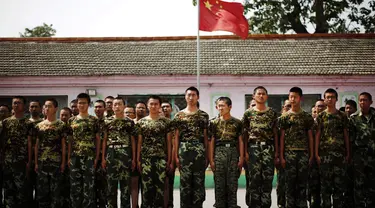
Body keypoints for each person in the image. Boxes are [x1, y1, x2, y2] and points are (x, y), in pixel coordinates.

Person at [242, 87, 278, 208]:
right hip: (253, 149)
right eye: (259, 94)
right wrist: (245, 152)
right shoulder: (248, 113)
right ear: (254, 96)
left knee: (267, 181)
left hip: (268, 148)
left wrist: (277, 152)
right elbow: (244, 134)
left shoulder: (272, 113)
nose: (261, 96)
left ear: (267, 96)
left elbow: (275, 133)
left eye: (263, 94)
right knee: (254, 181)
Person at [174, 86, 209, 208]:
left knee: (198, 183)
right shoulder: (179, 115)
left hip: (199, 150)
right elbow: (176, 136)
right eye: (188, 95)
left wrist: (207, 156)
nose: (191, 97)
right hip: (184, 151)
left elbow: (205, 137)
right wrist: (176, 156)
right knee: (185, 183)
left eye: (194, 95)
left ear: (198, 97)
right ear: (185, 97)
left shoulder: (203, 115)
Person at [279, 87, 314, 208]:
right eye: (290, 97)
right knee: (289, 185)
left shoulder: (306, 117)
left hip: (303, 154)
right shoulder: (284, 117)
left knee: (302, 185)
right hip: (289, 154)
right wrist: (282, 156)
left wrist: (311, 155)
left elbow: (310, 137)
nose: (292, 99)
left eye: (295, 97)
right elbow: (282, 138)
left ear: (300, 98)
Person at [315, 88, 350, 208]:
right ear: (324, 99)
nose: (330, 99)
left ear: (336, 99)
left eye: (332, 97)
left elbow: (346, 134)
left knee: (339, 187)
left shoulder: (342, 116)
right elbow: (317, 135)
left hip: (340, 156)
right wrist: (316, 154)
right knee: (325, 187)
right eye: (327, 97)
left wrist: (348, 153)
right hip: (324, 156)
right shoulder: (321, 117)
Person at [136, 95, 173, 208]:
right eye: (151, 104)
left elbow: (168, 142)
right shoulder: (141, 122)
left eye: (156, 104)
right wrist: (138, 160)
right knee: (146, 189)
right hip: (146, 159)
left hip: (161, 159)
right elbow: (139, 142)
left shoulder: (166, 122)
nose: (153, 106)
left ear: (159, 106)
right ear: (147, 106)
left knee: (160, 189)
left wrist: (169, 160)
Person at [67, 93, 101, 208]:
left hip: (89, 158)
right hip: (75, 157)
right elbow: (70, 141)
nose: (81, 105)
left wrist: (96, 158)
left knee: (89, 187)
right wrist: (68, 158)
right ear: (77, 104)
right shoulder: (71, 120)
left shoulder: (94, 120)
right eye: (79, 103)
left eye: (84, 103)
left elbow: (98, 140)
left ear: (88, 104)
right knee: (75, 188)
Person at [102, 97, 136, 208]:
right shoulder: (106, 121)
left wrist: (134, 158)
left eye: (119, 104)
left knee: (125, 185)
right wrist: (103, 157)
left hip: (125, 152)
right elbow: (104, 140)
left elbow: (133, 141)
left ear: (124, 106)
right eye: (115, 104)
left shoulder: (129, 122)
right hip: (111, 151)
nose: (117, 106)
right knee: (111, 185)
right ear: (112, 107)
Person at [211, 97, 244, 208]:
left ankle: (232, 205)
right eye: (218, 106)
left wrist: (241, 158)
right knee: (219, 183)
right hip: (219, 152)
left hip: (233, 152)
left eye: (223, 105)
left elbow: (240, 141)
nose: (220, 108)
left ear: (230, 107)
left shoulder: (237, 123)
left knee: (232, 182)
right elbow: (211, 141)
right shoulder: (213, 123)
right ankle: (219, 205)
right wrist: (211, 160)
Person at [34, 98, 67, 208]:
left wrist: (63, 163)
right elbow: (37, 145)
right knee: (43, 192)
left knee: (56, 192)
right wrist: (36, 163)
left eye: (49, 106)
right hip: (42, 162)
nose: (46, 108)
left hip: (56, 163)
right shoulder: (39, 126)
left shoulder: (61, 125)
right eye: (45, 106)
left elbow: (64, 145)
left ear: (56, 109)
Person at [1, 96, 33, 207]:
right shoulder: (5, 122)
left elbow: (30, 143)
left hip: (21, 162)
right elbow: (2, 142)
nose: (16, 105)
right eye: (14, 103)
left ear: (24, 106)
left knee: (22, 191)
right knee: (8, 191)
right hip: (8, 161)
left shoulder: (28, 123)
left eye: (18, 103)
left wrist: (29, 161)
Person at [349, 92, 375, 208]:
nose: (362, 103)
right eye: (360, 100)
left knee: (372, 185)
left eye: (365, 100)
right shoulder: (354, 119)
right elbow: (350, 139)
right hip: (359, 156)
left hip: (373, 157)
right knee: (358, 185)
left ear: (371, 102)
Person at [131, 100, 147, 208]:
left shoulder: (148, 123)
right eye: (139, 107)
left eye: (143, 108)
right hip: (132, 156)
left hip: (146, 156)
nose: (141, 109)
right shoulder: (131, 123)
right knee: (134, 184)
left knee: (146, 185)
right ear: (135, 109)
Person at [28, 100, 44, 207]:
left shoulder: (44, 123)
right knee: (27, 186)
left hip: (42, 158)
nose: (34, 109)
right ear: (29, 108)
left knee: (41, 186)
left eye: (36, 107)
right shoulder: (26, 123)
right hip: (27, 157)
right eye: (32, 107)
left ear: (40, 108)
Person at [277, 100, 291, 208]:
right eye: (287, 106)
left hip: (294, 155)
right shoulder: (278, 121)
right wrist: (277, 155)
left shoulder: (296, 119)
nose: (289, 108)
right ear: (283, 107)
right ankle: (281, 204)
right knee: (281, 182)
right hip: (281, 155)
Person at [161, 101, 175, 208]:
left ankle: (169, 205)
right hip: (158, 156)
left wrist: (172, 160)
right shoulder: (157, 123)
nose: (165, 109)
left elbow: (175, 143)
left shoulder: (174, 123)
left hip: (171, 157)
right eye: (163, 107)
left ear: (171, 109)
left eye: (167, 107)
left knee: (169, 184)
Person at [94, 99, 107, 208]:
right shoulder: (91, 121)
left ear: (105, 108)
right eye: (96, 107)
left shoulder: (108, 122)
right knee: (92, 186)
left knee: (104, 186)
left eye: (100, 107)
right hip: (91, 158)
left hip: (104, 157)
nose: (98, 109)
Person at [59, 107, 72, 208]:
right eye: (62, 115)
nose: (63, 117)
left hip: (72, 161)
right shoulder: (56, 127)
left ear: (70, 116)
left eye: (66, 115)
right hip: (58, 161)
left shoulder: (73, 128)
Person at [0, 104, 11, 207]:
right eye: (0, 111)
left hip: (10, 160)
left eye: (4, 111)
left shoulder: (12, 125)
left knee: (8, 186)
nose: (2, 114)